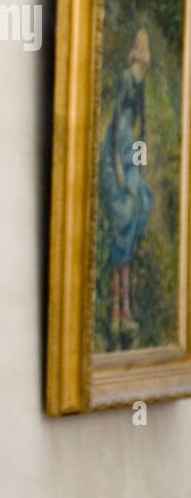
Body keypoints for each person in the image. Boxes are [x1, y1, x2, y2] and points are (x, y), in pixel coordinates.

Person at [98, 27, 154, 344]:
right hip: (115, 153)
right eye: (141, 48)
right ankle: (119, 310)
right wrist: (120, 167)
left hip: (130, 149)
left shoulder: (140, 81)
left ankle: (126, 310)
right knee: (124, 214)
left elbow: (141, 126)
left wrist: (140, 161)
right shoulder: (124, 78)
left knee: (142, 201)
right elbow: (118, 118)